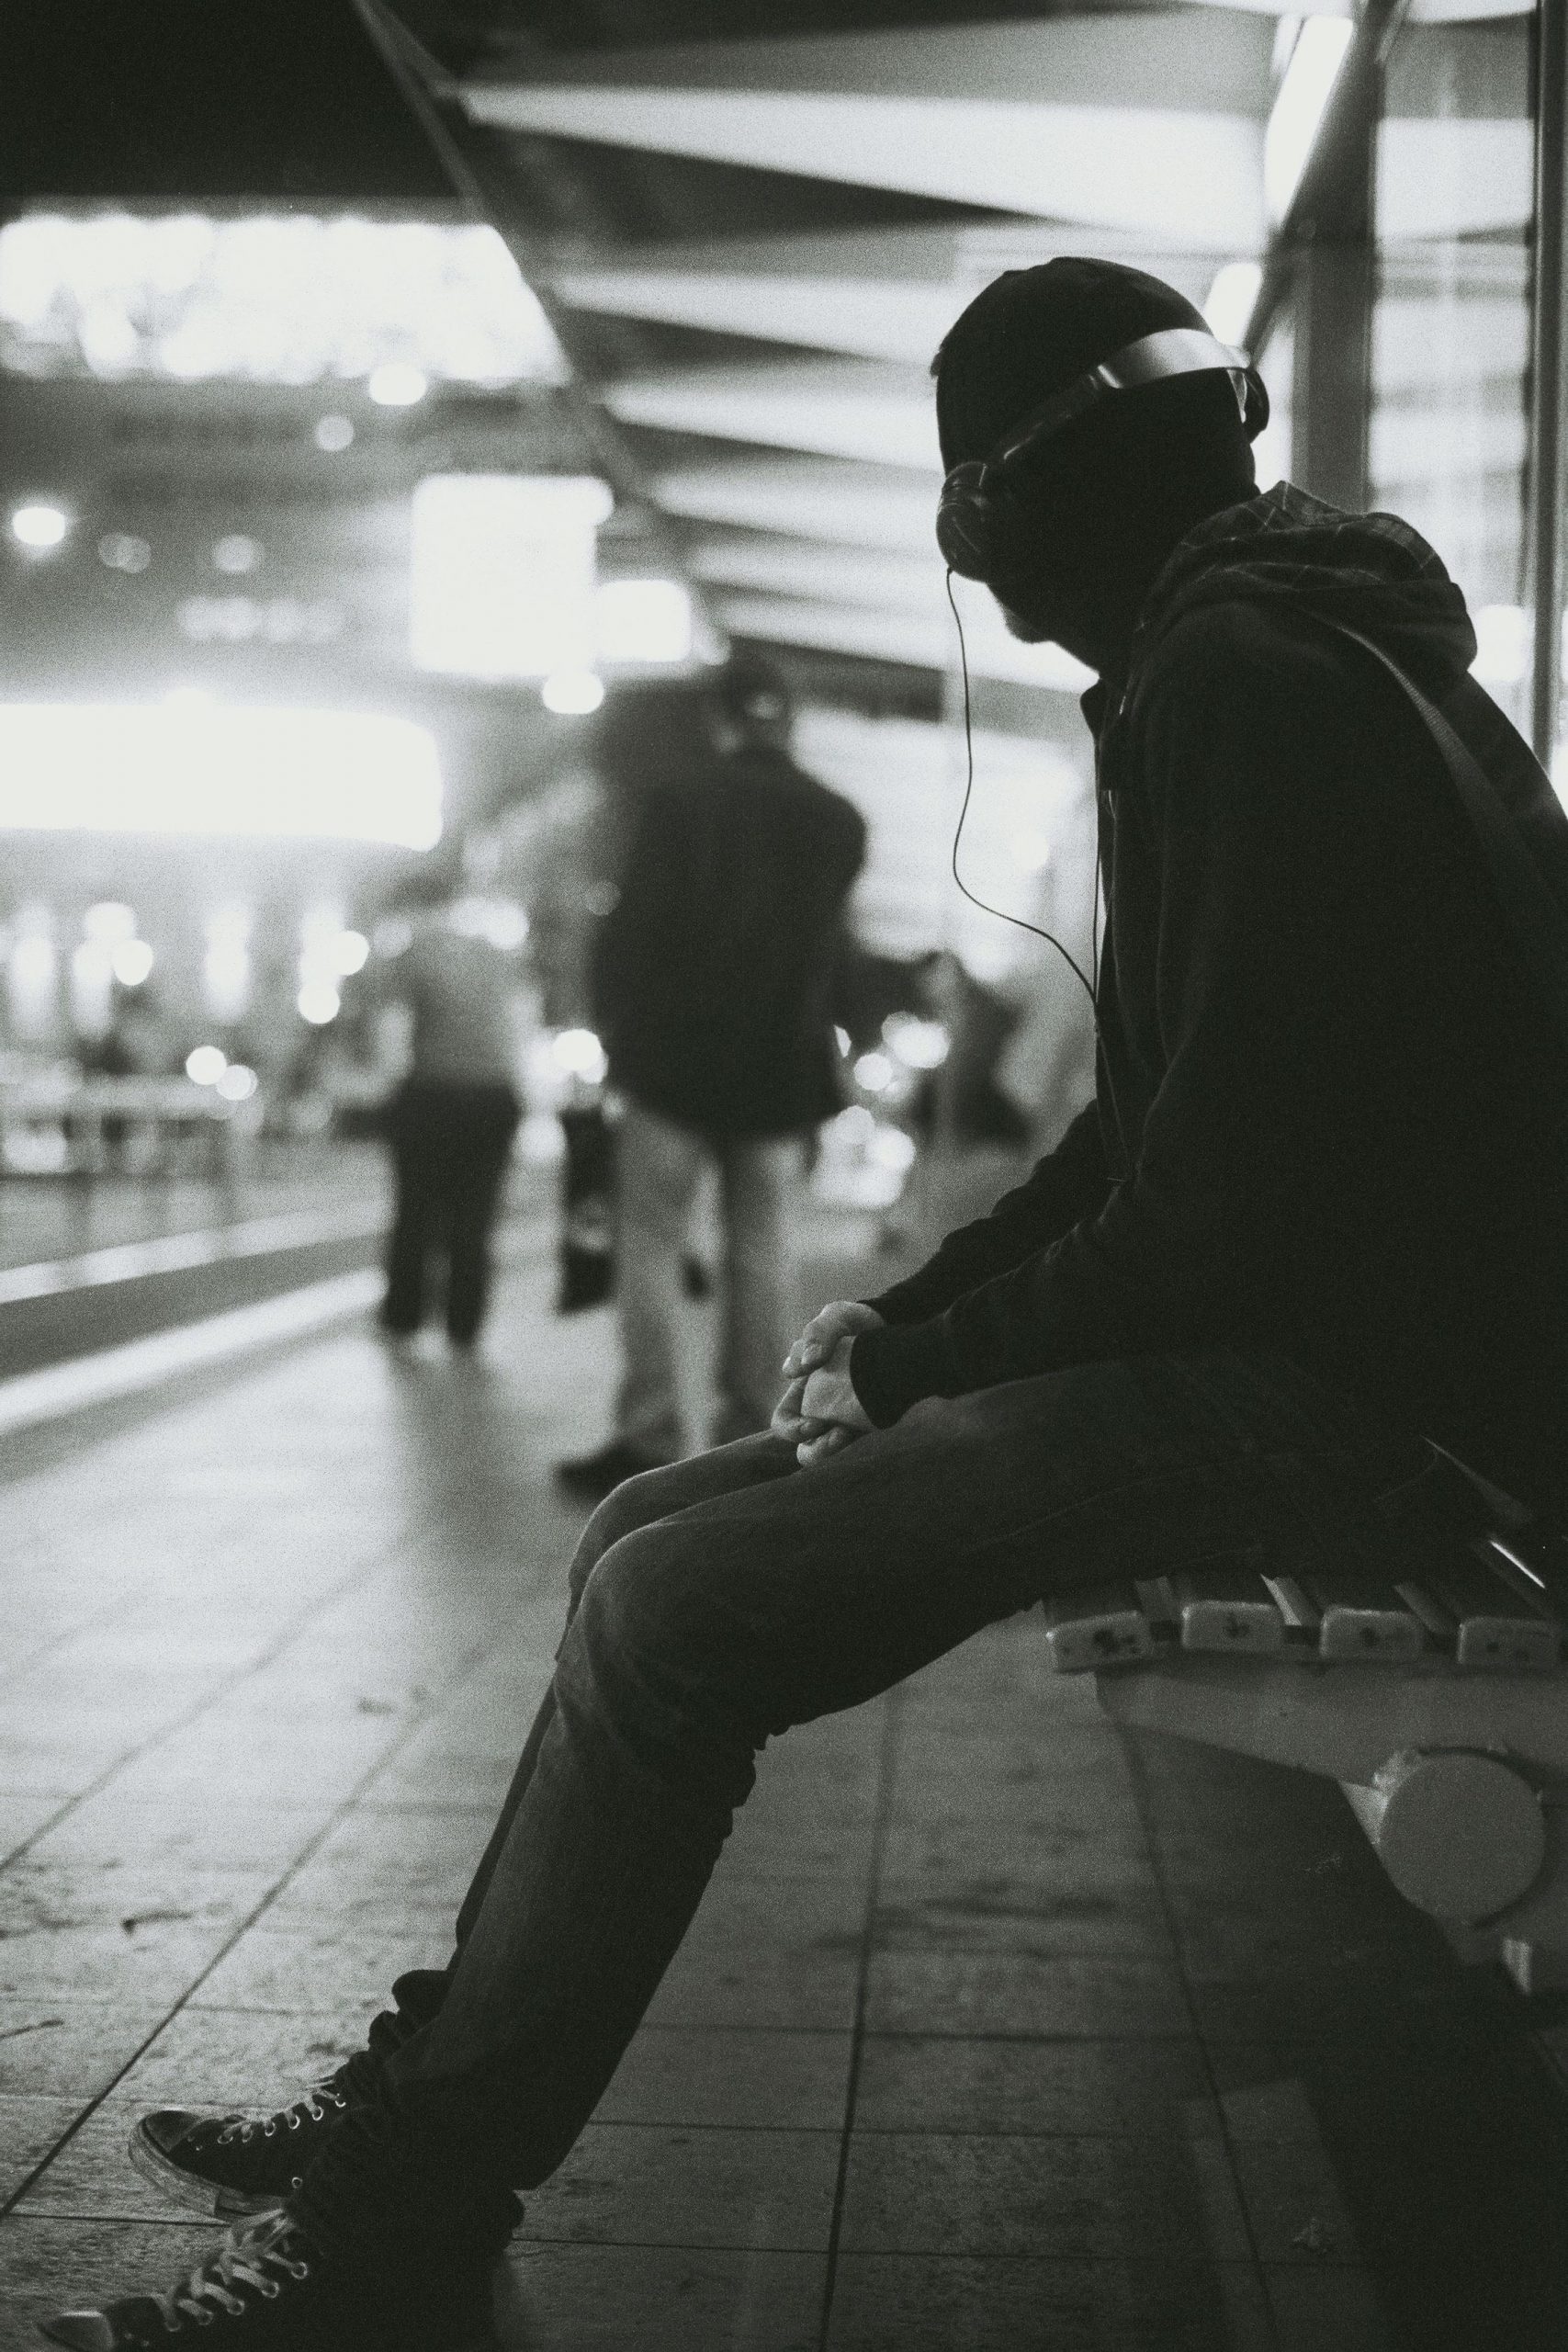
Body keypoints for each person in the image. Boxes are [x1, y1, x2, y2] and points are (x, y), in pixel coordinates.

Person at [51, 255, 1568, 2349]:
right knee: (639, 1531)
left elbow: (1203, 1208)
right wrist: (897, 1323)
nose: (967, 547)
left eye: (971, 497)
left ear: (1016, 498)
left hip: (1349, 1391)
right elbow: (1143, 1147)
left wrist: (929, 1354)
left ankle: (400, 2212)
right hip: (1328, 1348)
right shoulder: (1272, 647)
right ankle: (419, 2090)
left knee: (676, 1617)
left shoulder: (1237, 680)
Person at [555, 656, 867, 1501]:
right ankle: (751, 1432)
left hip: (673, 1065)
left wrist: (616, 1040)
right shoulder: (838, 820)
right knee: (761, 1250)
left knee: (650, 1245)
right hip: (776, 1068)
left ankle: (650, 1432)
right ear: (788, 722)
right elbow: (831, 951)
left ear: (721, 721)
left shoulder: (682, 802)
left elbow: (630, 933)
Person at [373, 867, 525, 1353]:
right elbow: (520, 1026)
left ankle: (404, 1317)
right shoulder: (500, 956)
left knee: (415, 1210)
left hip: (432, 1092)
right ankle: (465, 1323)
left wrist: (392, 1087)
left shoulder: (415, 953)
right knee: (476, 1215)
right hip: (495, 1097)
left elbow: (393, 1032)